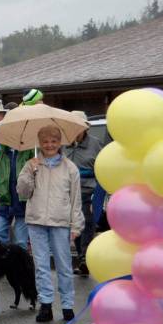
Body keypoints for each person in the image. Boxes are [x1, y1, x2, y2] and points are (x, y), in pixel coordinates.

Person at [16, 125, 84, 323]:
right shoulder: (32, 165)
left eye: (54, 141)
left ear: (60, 142)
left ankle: (67, 305)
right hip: (36, 221)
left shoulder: (70, 168)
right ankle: (45, 304)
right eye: (45, 141)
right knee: (42, 265)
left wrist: (76, 225)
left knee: (63, 265)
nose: (49, 145)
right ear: (40, 143)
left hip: (60, 222)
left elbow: (75, 200)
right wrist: (30, 172)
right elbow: (22, 192)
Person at [65, 112, 104, 275]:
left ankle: (84, 258)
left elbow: (103, 171)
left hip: (88, 192)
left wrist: (99, 199)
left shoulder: (96, 145)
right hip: (65, 193)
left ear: (85, 127)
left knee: (86, 221)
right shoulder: (63, 146)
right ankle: (81, 258)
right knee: (76, 226)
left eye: (78, 126)